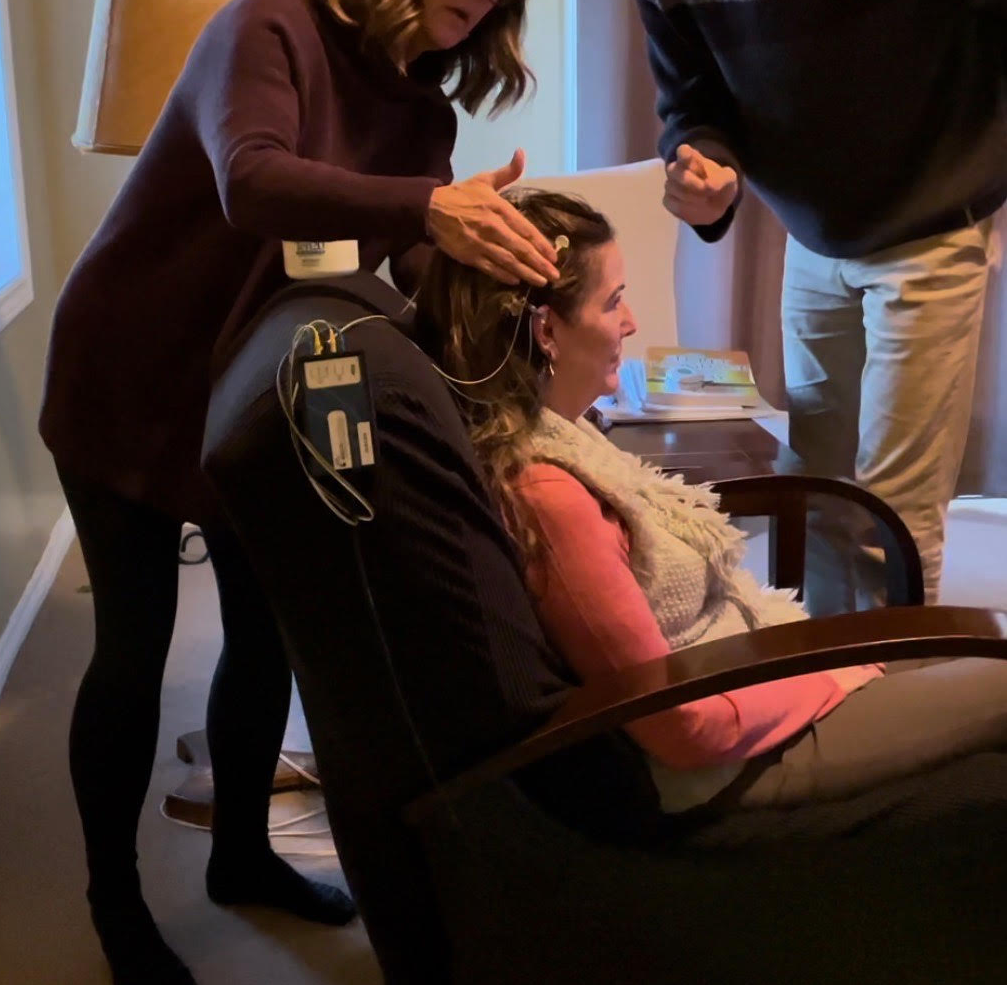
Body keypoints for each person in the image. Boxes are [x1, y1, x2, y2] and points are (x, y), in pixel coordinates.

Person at [41, 0, 560, 985]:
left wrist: (511, 277)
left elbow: (415, 257)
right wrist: (429, 204)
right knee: (133, 645)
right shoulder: (267, 21)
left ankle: (240, 851)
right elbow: (257, 183)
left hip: (258, 386)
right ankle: (113, 895)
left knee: (268, 631)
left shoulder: (420, 102)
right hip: (130, 364)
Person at [565, 0, 1007, 603]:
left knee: (893, 511)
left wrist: (980, 145)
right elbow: (693, 106)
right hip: (815, 236)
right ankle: (838, 691)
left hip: (929, 227)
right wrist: (701, 170)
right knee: (821, 492)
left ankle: (895, 715)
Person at [415, 189, 1007, 818]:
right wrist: (831, 675)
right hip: (727, 770)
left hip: (751, 692)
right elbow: (685, 729)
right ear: (548, 330)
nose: (632, 321)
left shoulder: (562, 436)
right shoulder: (550, 495)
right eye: (613, 301)